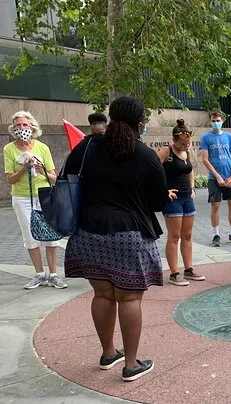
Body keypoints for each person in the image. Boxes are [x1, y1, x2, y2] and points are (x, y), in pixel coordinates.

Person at [63, 96, 168, 382]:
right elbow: (159, 201)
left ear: (111, 117)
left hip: (88, 233)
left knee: (103, 295)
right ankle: (131, 364)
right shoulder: (145, 155)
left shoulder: (87, 147)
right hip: (129, 235)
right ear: (139, 123)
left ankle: (108, 353)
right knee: (129, 297)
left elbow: (68, 178)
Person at [4, 111, 67, 290]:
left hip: (44, 196)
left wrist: (41, 170)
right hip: (22, 198)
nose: (21, 128)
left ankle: (53, 275)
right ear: (13, 128)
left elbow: (54, 178)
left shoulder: (42, 147)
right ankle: (39, 274)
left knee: (50, 235)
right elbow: (10, 179)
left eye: (24, 125)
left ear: (31, 127)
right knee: (30, 236)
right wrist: (24, 168)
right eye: (18, 125)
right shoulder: (9, 149)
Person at [158, 119, 205, 286]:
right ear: (174, 140)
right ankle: (174, 273)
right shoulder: (166, 151)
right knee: (174, 236)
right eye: (183, 144)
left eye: (188, 143)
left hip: (187, 197)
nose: (186, 146)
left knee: (187, 235)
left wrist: (192, 188)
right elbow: (152, 170)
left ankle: (189, 269)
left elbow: (190, 170)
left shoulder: (187, 151)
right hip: (173, 200)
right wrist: (163, 190)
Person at [200, 109, 231, 246]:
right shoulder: (206, 137)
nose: (215, 123)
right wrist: (218, 177)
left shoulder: (228, 136)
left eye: (218, 121)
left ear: (223, 121)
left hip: (229, 177)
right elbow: (205, 160)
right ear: (210, 121)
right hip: (214, 179)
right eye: (213, 121)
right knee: (216, 205)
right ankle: (216, 235)